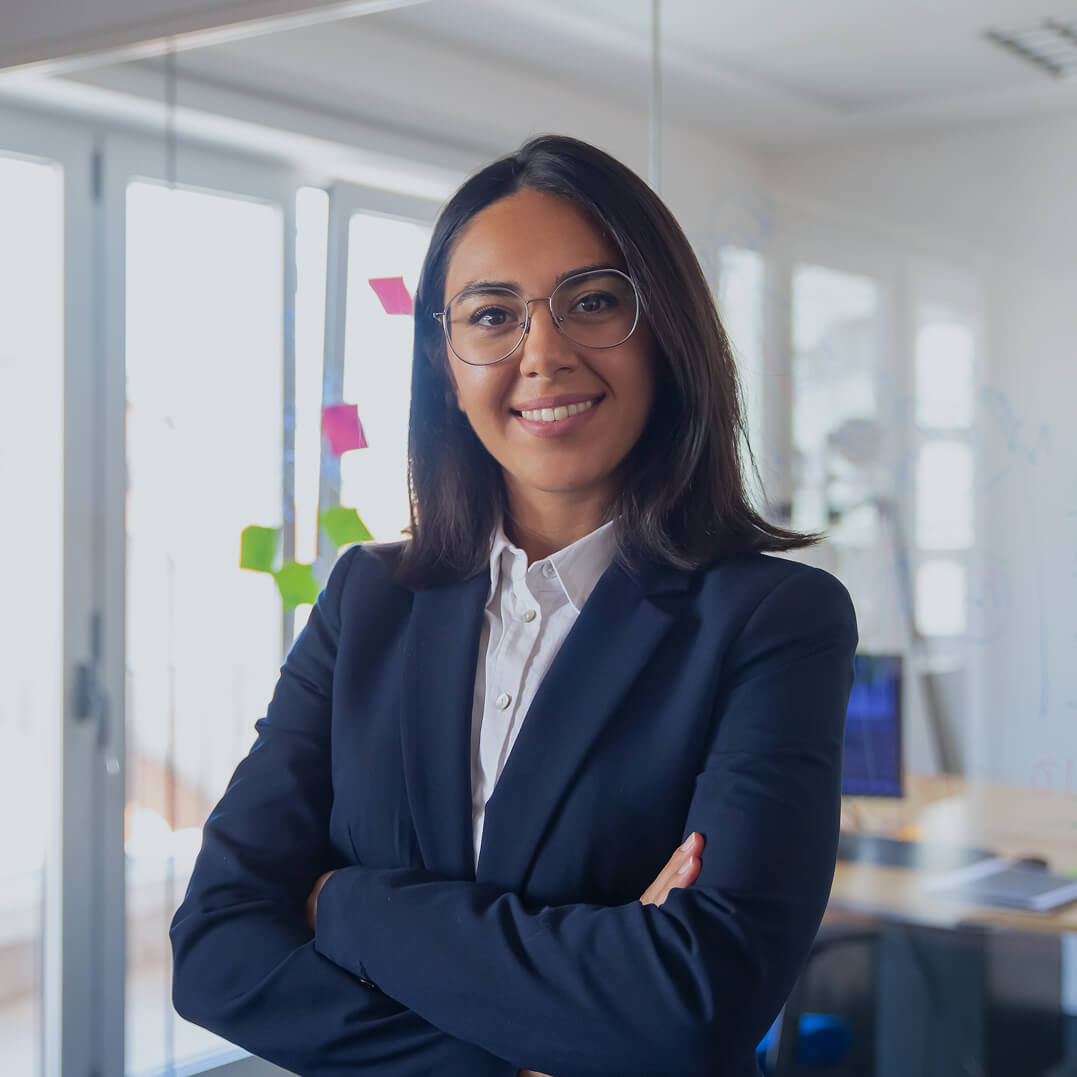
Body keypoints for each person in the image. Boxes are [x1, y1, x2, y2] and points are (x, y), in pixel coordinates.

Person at [170, 134, 857, 1077]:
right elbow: (216, 950)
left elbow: (700, 1000)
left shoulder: (774, 619)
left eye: (594, 301)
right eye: (493, 315)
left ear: (665, 333)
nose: (544, 352)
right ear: (444, 367)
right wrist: (536, 1045)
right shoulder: (368, 599)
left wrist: (346, 903)